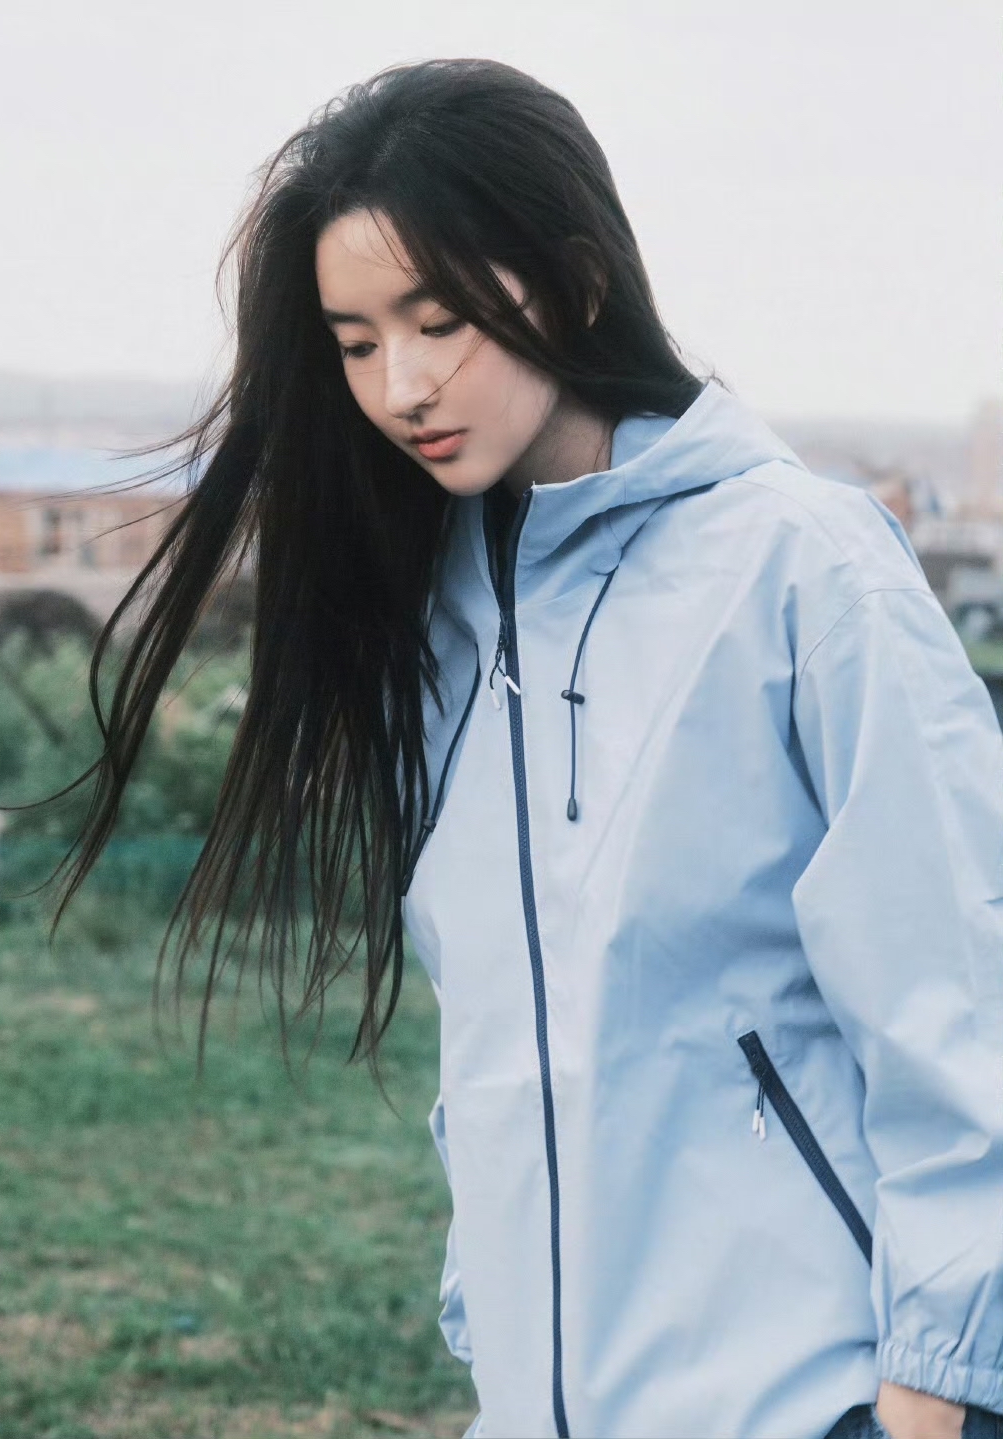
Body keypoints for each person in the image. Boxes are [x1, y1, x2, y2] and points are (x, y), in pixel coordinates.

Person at [56, 58, 1003, 1439]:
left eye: (437, 321)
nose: (401, 385)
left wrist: (936, 1387)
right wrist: (495, 1338)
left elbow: (956, 999)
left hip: (814, 1401)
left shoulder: (802, 568)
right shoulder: (438, 612)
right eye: (356, 342)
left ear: (571, 282)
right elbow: (512, 1043)